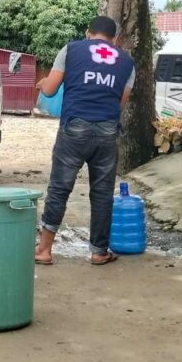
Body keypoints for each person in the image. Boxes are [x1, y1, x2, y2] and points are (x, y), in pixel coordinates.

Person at [34, 16, 135, 266]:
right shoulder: (127, 62)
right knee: (102, 193)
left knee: (60, 187)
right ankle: (99, 252)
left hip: (74, 129)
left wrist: (43, 82)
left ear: (88, 33)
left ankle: (45, 250)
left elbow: (49, 90)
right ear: (115, 39)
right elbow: (120, 103)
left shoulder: (70, 50)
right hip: (107, 131)